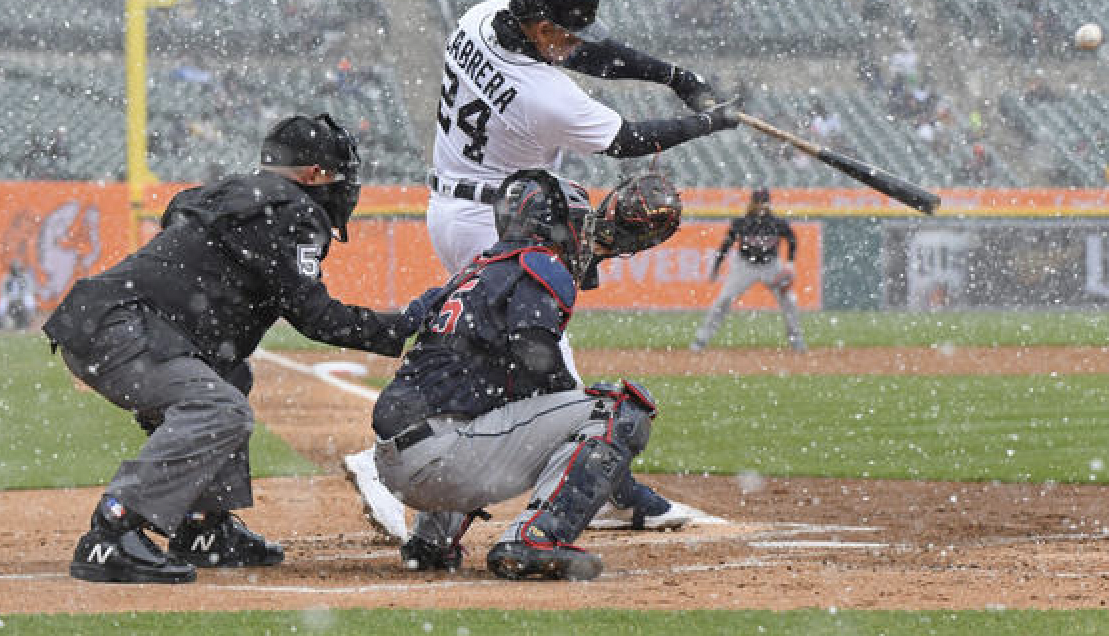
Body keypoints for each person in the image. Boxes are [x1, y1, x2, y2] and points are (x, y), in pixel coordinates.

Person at [345, 0, 736, 539]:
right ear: (537, 24)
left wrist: (673, 74)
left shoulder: (480, 17)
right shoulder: (544, 94)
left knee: (492, 357)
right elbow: (625, 140)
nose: (572, 45)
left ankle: (422, 472)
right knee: (549, 368)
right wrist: (706, 121)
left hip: (457, 204)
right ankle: (607, 489)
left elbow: (585, 55)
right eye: (563, 32)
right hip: (496, 219)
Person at [42, 114, 435, 584]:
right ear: (314, 175)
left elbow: (183, 221)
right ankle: (112, 531)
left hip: (106, 317)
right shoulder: (292, 208)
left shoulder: (236, 192)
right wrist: (406, 326)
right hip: (123, 325)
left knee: (229, 376)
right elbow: (316, 317)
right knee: (220, 410)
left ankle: (203, 527)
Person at [371, 169, 681, 580]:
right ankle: (537, 538)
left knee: (490, 399)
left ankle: (431, 540)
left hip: (398, 461)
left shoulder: (476, 270)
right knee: (619, 411)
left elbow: (408, 324)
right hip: (442, 462)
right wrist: (587, 432)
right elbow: (536, 357)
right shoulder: (542, 264)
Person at [691, 188, 806, 352]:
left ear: (768, 203)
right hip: (744, 266)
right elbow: (726, 245)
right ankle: (702, 339)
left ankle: (796, 339)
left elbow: (792, 239)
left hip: (771, 265)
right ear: (752, 203)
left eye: (763, 202)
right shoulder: (742, 222)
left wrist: (790, 263)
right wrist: (717, 266)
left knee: (789, 300)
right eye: (758, 202)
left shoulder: (776, 222)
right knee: (724, 299)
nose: (760, 205)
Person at [1, 260, 35, 330]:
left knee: (30, 300)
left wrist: (21, 296)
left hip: (23, 296)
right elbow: (3, 290)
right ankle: (1, 321)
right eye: (14, 269)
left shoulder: (25, 277)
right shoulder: (7, 277)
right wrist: (9, 296)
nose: (16, 271)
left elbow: (30, 288)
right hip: (10, 297)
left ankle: (30, 319)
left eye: (17, 268)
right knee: (2, 303)